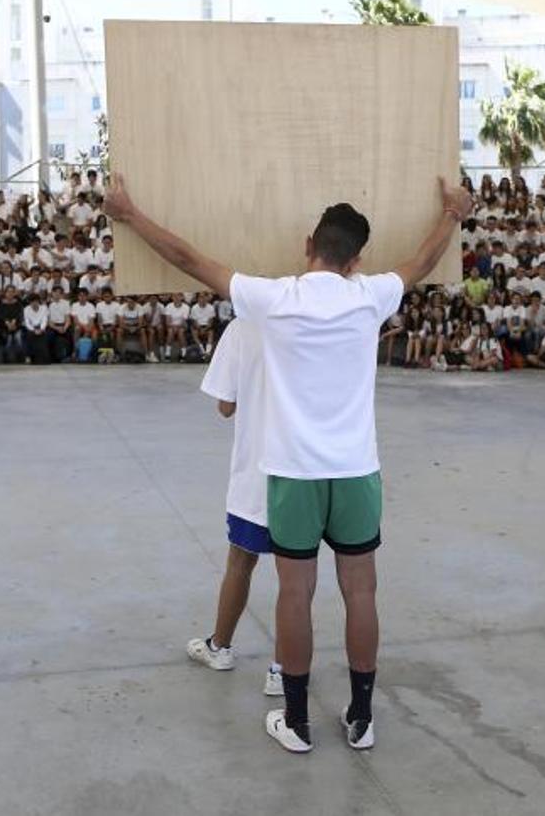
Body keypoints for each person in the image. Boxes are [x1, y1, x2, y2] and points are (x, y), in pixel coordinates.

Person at [102, 172, 469, 754]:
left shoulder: (271, 299)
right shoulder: (370, 296)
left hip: (293, 474)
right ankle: (361, 718)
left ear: (308, 245)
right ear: (356, 259)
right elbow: (423, 260)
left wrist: (129, 212)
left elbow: (186, 256)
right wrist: (453, 213)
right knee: (362, 592)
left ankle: (295, 723)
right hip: (356, 471)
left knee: (294, 594)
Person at [187, 318, 284, 698]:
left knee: (240, 561)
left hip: (257, 470)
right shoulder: (318, 317)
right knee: (296, 576)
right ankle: (283, 668)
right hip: (309, 469)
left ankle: (220, 647)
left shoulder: (244, 326)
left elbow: (226, 405)